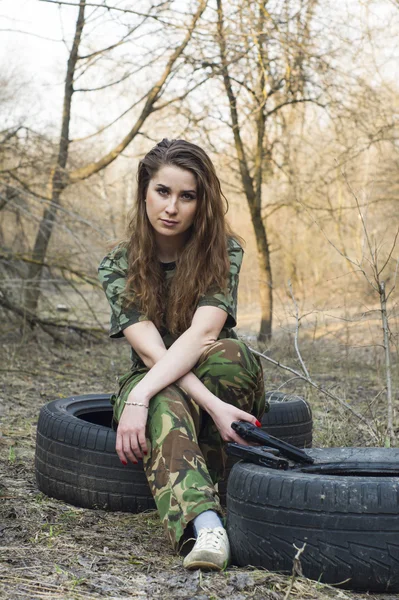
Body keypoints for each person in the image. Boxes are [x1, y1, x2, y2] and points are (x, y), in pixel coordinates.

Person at [98, 138, 267, 571]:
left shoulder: (222, 251)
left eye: (186, 196)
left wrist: (206, 398)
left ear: (201, 202)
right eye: (163, 191)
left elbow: (203, 334)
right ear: (144, 193)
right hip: (153, 377)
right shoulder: (117, 264)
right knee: (161, 397)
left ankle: (213, 480)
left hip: (216, 371)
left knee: (230, 352)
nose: (172, 207)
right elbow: (154, 352)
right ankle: (208, 527)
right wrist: (140, 398)